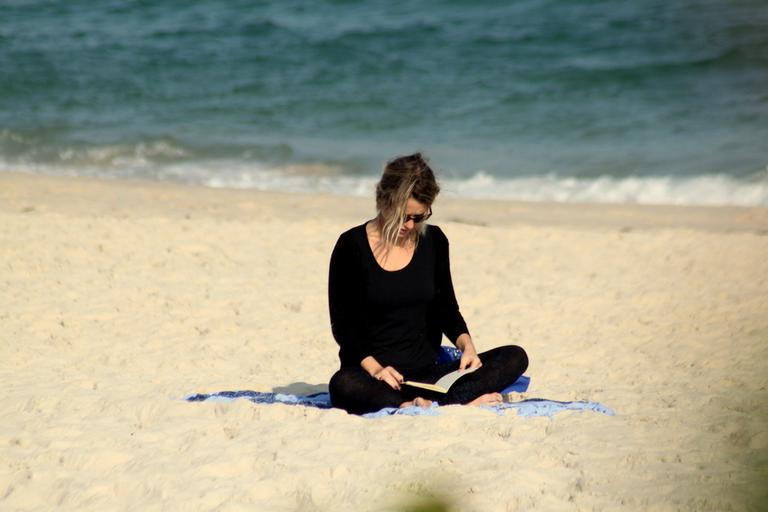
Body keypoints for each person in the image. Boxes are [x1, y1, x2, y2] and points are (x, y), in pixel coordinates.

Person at [327, 153, 528, 415]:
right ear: (384, 200)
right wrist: (376, 369)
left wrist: (467, 347)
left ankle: (426, 403)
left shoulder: (434, 241)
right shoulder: (350, 246)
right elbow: (342, 326)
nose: (410, 225)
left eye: (419, 217)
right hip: (374, 375)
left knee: (515, 356)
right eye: (404, 216)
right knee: (342, 385)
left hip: (429, 375)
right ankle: (436, 403)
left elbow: (446, 309)